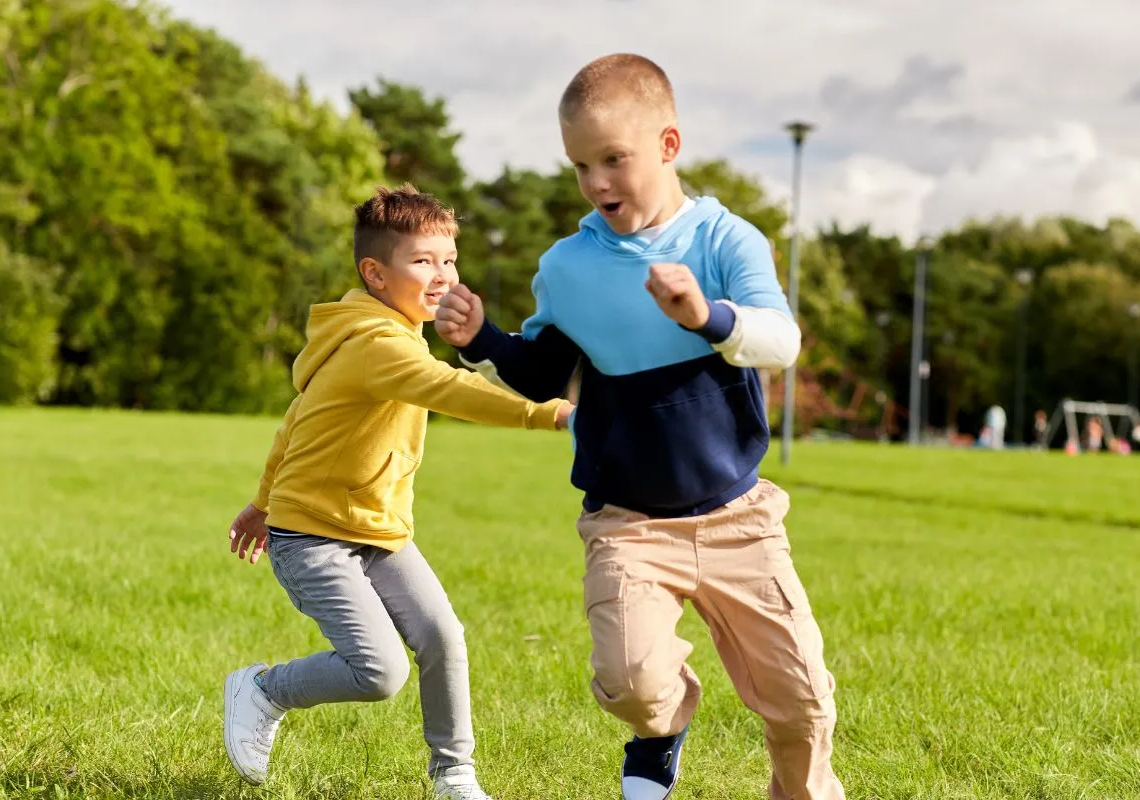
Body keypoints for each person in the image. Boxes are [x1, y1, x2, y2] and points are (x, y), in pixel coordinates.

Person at [436, 54, 844, 800]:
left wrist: (707, 318)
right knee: (630, 684)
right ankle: (663, 735)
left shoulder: (726, 243)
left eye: (613, 160)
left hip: (738, 519)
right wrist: (482, 340)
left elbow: (781, 344)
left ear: (667, 144)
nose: (596, 183)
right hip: (627, 523)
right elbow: (542, 371)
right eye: (581, 166)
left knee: (803, 701)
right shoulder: (567, 267)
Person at [223, 185, 571, 800]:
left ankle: (454, 777)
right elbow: (450, 388)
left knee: (442, 638)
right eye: (423, 262)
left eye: (449, 259)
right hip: (313, 538)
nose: (443, 276)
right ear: (375, 274)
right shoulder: (378, 345)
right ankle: (262, 689)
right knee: (379, 670)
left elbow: (295, 421)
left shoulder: (385, 333)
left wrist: (258, 501)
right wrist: (551, 413)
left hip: (378, 532)